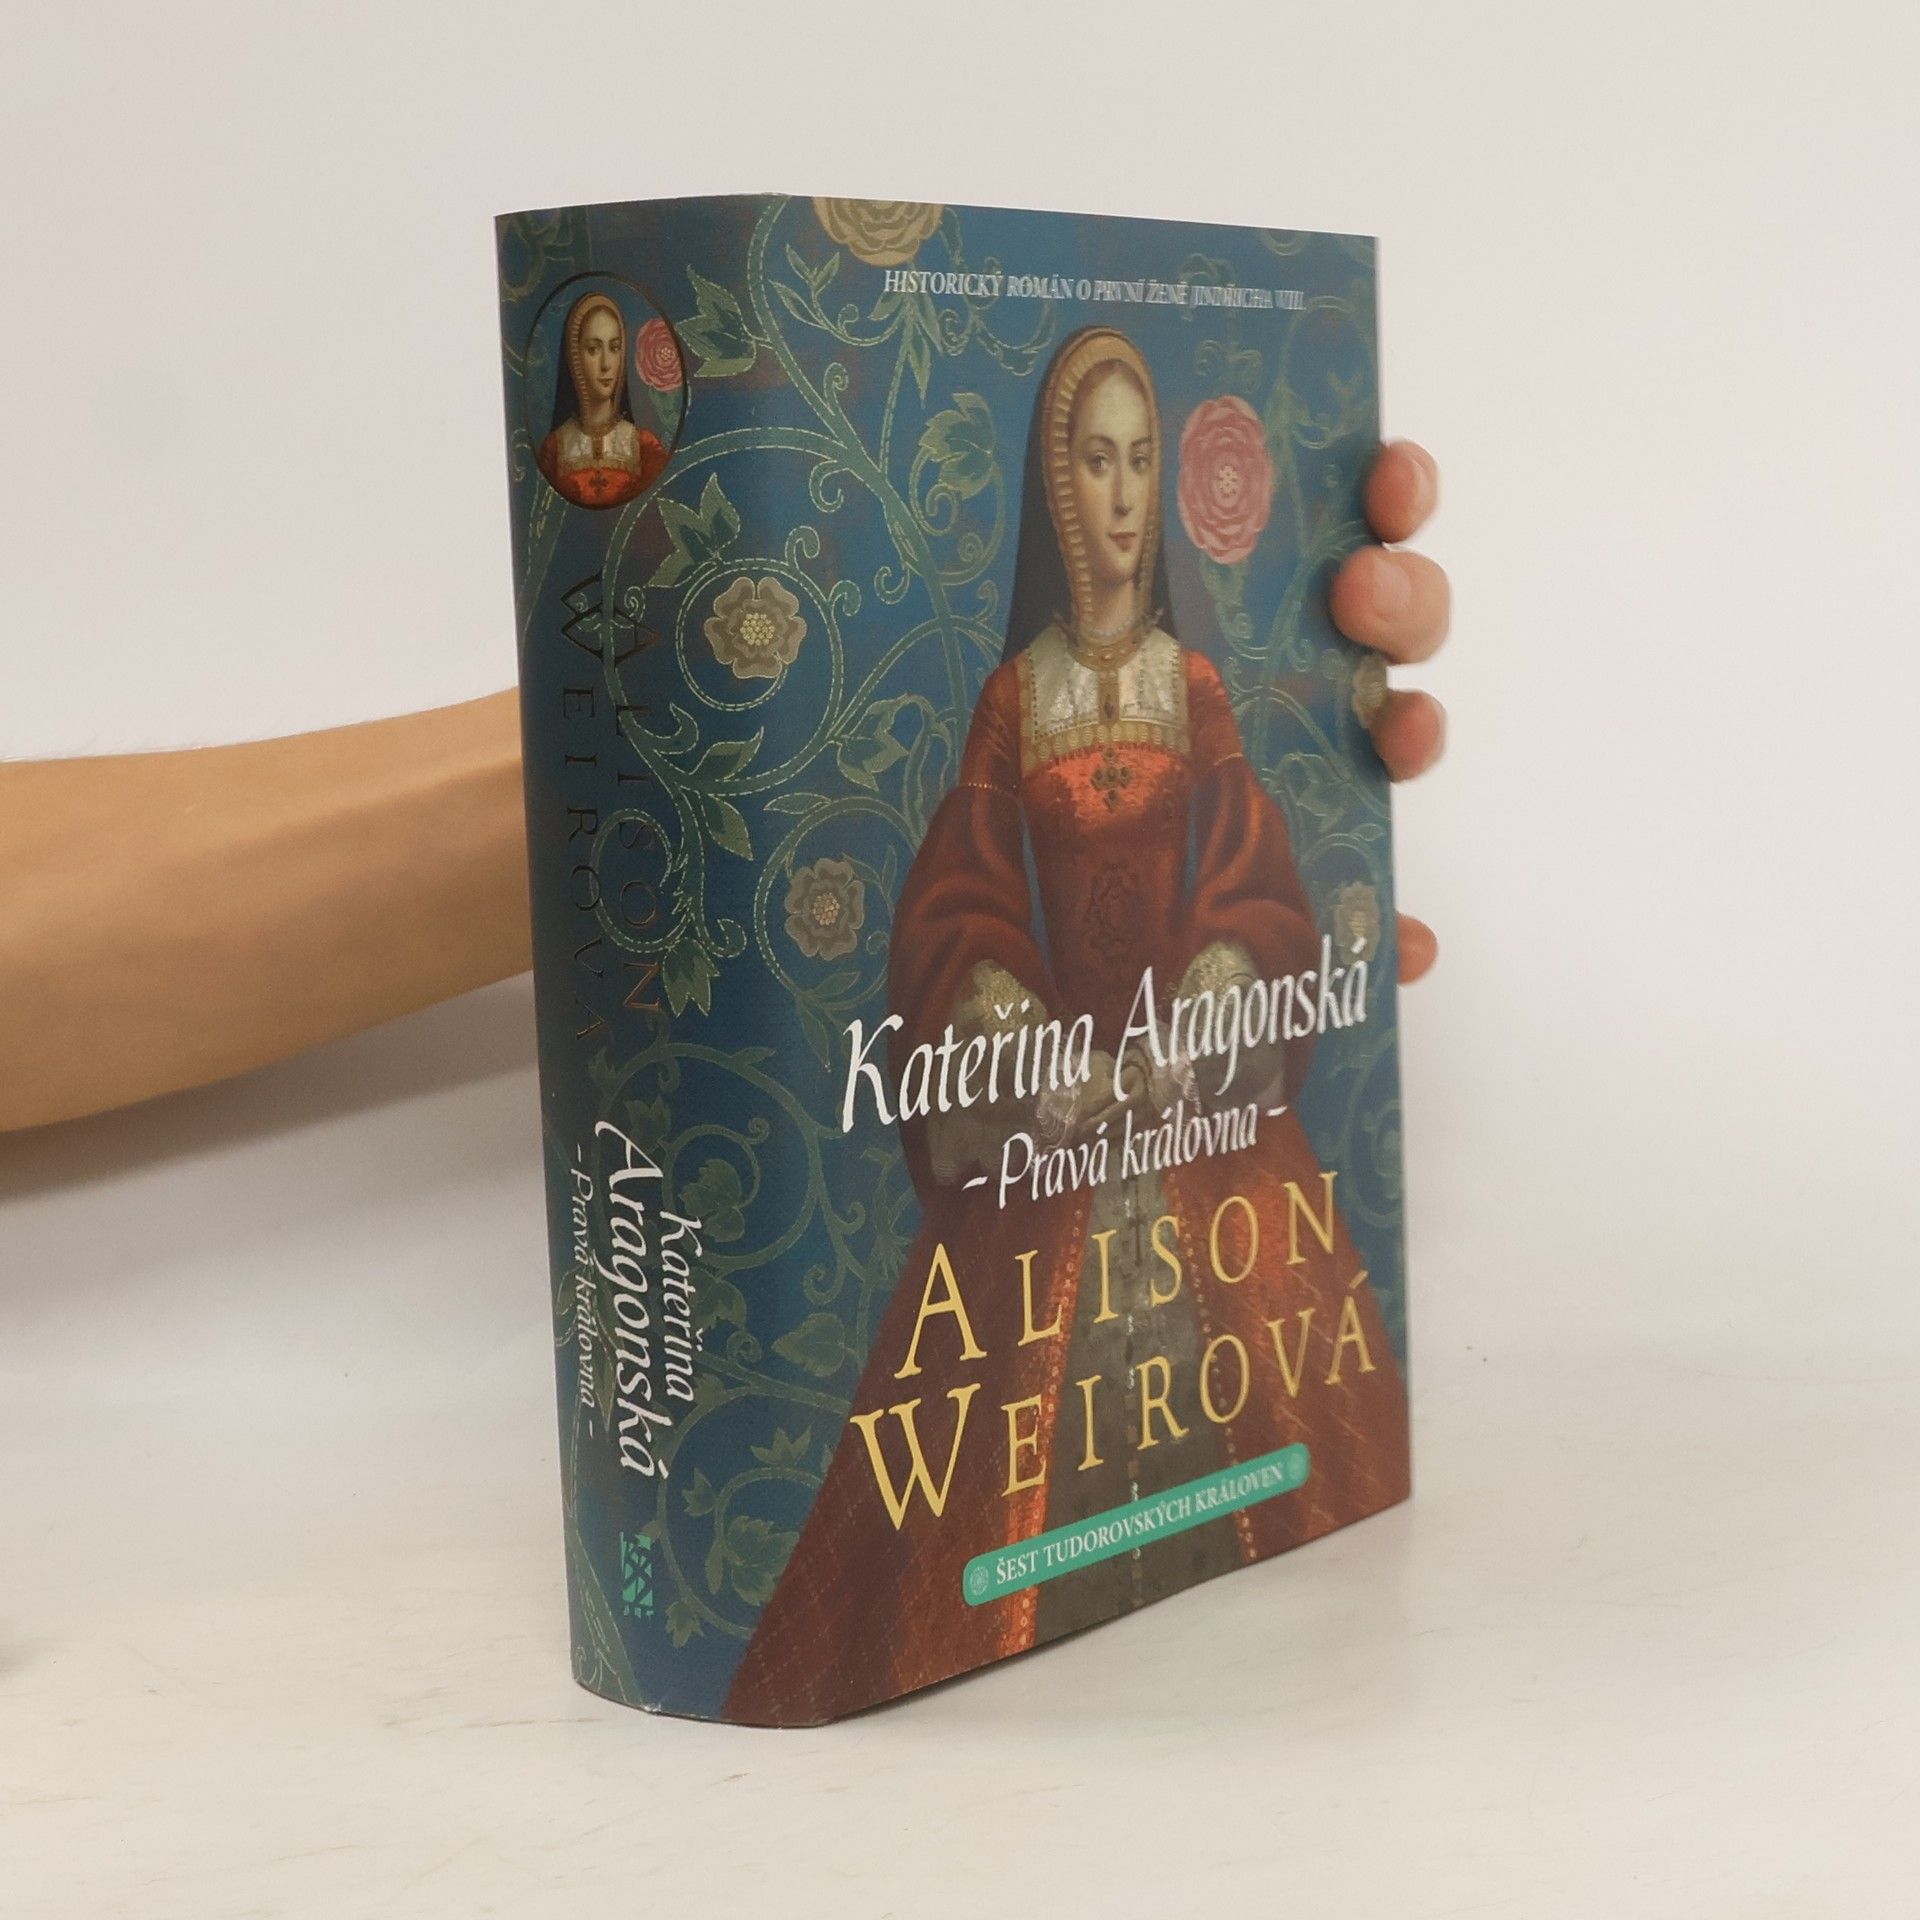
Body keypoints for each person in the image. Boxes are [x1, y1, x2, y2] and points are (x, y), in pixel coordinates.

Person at [723, 328, 1443, 1724]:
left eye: (1140, 462)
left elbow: (1254, 882)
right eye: (1096, 463)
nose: (1121, 496)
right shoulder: (1017, 699)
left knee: (1304, 1428)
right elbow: (960, 908)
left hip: (1197, 1114)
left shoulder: (1195, 689)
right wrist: (1039, 1056)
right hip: (1057, 1124)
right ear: (1060, 489)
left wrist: (1202, 1016)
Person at [534, 292, 667, 510]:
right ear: (575, 357)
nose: (606, 364)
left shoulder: (645, 448)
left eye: (614, 348)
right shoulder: (555, 450)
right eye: (593, 349)